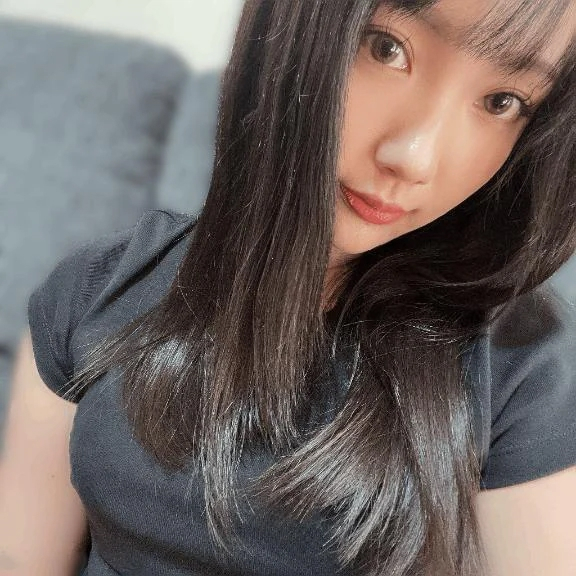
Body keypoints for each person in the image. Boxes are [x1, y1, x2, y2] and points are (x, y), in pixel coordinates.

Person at [1, 0, 576, 574]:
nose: (413, 158)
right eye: (386, 49)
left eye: (503, 102)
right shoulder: (94, 288)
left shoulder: (521, 364)